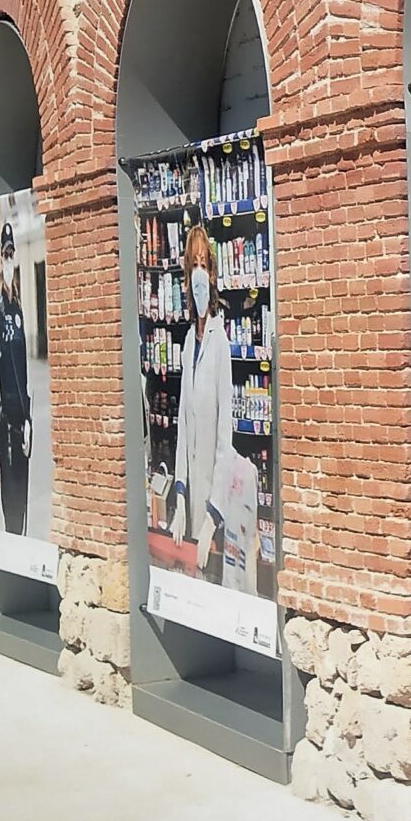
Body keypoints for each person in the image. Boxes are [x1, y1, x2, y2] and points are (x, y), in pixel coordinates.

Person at [172, 223, 241, 586]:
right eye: (192, 266)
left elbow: (224, 439)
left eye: (203, 265)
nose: (198, 274)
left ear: (212, 275)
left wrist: (211, 516)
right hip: (191, 499)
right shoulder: (187, 342)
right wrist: (179, 495)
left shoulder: (220, 343)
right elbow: (184, 423)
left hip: (212, 512)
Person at [0, 219, 33, 533]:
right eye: (4, 255)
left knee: (25, 506)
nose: (8, 261)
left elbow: (25, 371)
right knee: (11, 512)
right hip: (5, 428)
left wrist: (30, 419)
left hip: (22, 426)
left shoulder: (18, 310)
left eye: (11, 255)